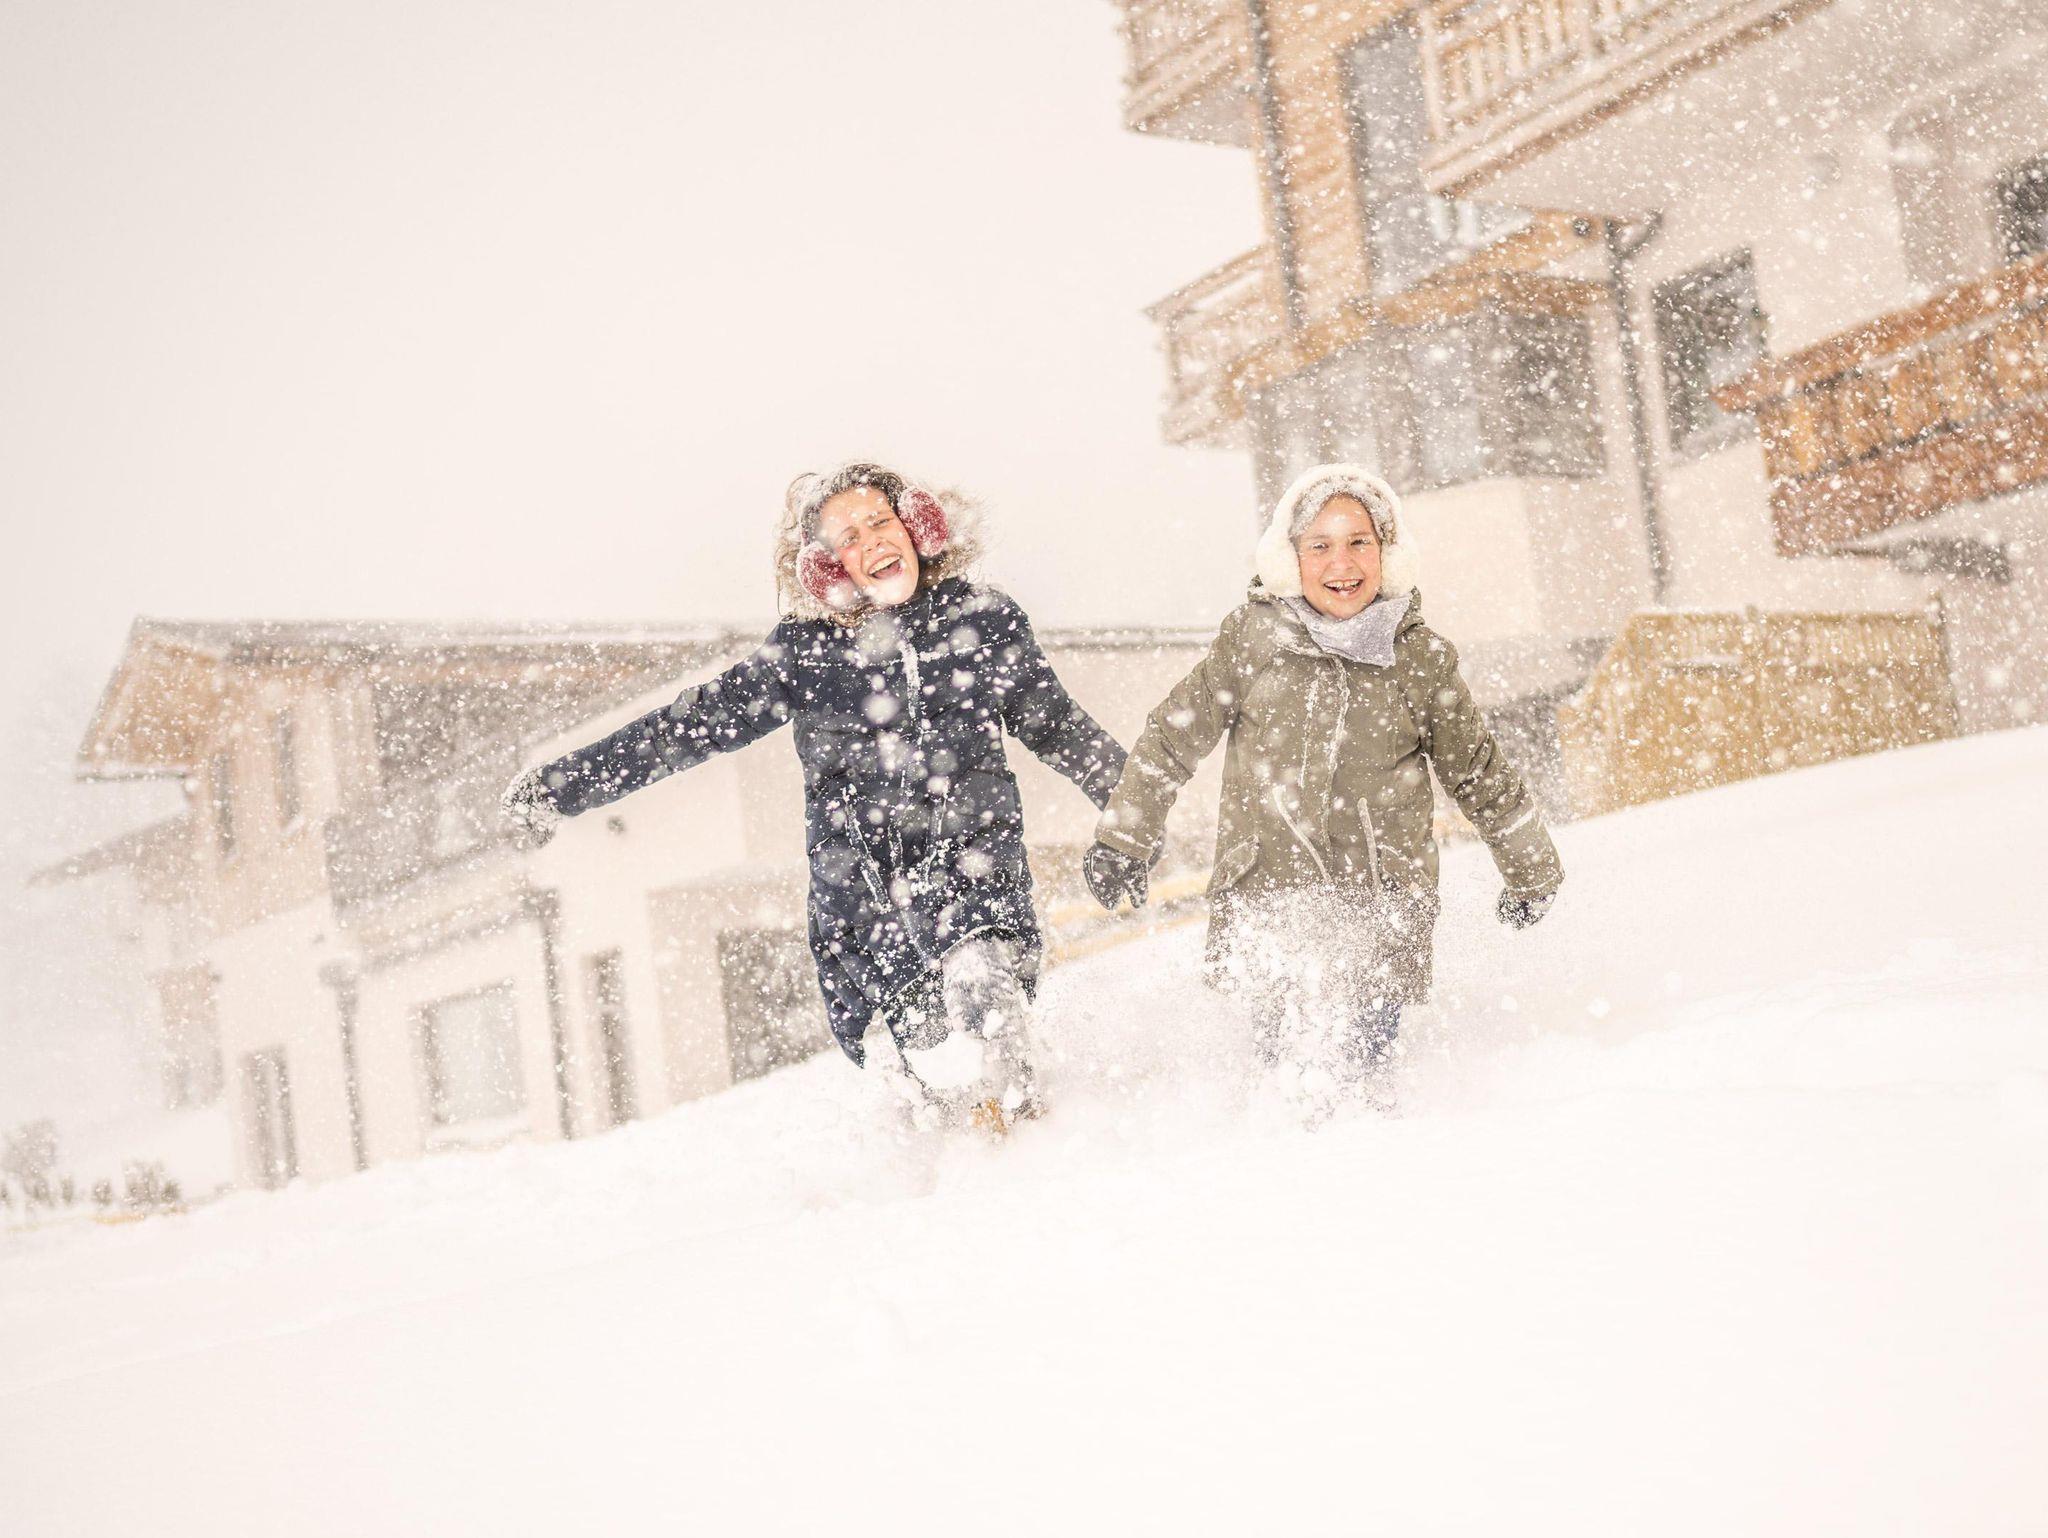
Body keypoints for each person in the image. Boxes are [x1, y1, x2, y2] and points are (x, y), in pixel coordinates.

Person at [501, 463, 1125, 1133]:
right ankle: (949, 1161)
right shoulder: (805, 654)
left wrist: (1139, 810)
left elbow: (1061, 728)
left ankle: (1035, 1142)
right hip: (869, 909)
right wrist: (558, 788)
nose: (872, 540)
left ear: (918, 526)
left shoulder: (985, 621)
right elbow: (684, 728)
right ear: (826, 567)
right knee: (932, 1077)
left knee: (983, 991)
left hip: (976, 881)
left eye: (881, 521)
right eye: (848, 537)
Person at [1081, 463, 1563, 1121]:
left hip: (1380, 901)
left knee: (1360, 1077)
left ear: (1387, 553)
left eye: (1359, 541)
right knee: (1288, 1082)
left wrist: (1531, 869)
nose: (1342, 562)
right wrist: (1124, 838)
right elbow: (1173, 737)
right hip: (1270, 897)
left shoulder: (1418, 659)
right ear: (1292, 559)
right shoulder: (1254, 640)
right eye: (1321, 545)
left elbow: (1477, 769)